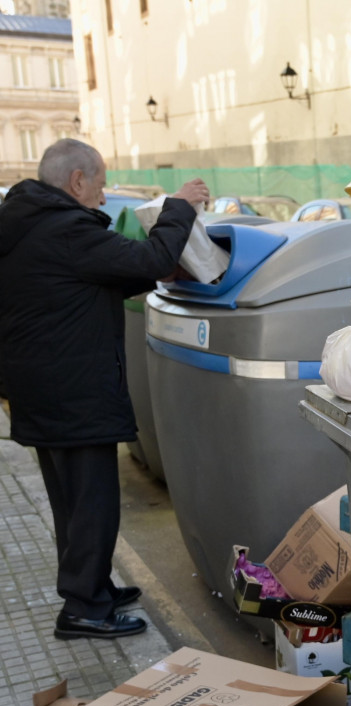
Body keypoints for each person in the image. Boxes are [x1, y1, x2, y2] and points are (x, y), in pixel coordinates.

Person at [0, 138, 210, 639]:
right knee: (91, 501)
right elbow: (153, 259)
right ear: (77, 181)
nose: (102, 194)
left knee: (71, 500)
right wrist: (178, 206)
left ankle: (89, 586)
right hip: (72, 390)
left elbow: (80, 284)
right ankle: (84, 609)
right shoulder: (68, 229)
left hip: (42, 385)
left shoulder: (26, 224)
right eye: (99, 183)